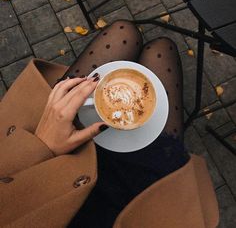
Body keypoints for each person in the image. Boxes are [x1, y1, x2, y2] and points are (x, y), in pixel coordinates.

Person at [0, 20, 219, 228]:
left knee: (124, 33)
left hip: (40, 169)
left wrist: (41, 148)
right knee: (161, 51)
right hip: (131, 199)